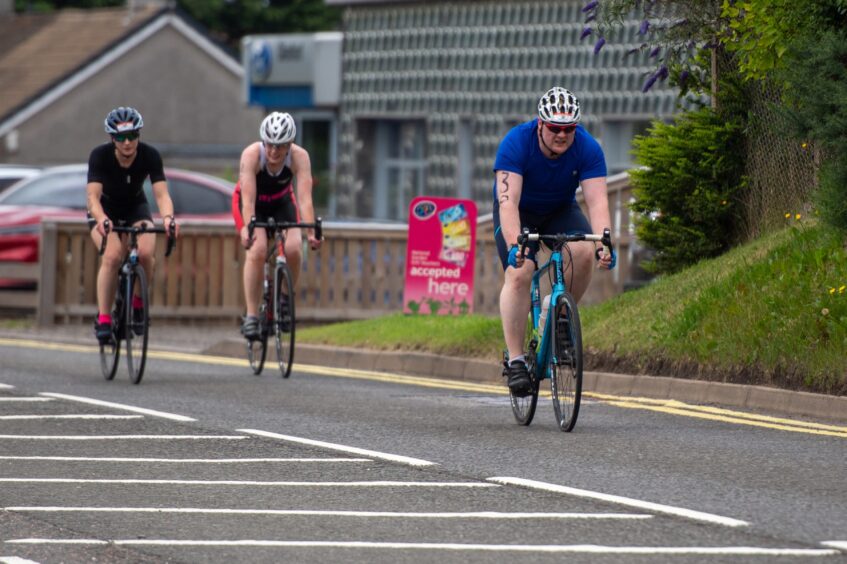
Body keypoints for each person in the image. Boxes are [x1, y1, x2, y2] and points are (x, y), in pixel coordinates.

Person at [493, 87, 616, 396]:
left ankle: (560, 320)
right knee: (520, 272)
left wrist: (604, 244)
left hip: (560, 209)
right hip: (520, 211)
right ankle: (517, 361)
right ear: (540, 124)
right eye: (555, 128)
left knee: (583, 252)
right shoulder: (516, 143)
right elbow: (508, 203)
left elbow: (598, 202)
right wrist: (514, 247)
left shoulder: (588, 148)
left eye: (569, 129)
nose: (562, 135)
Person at [86, 106, 179, 344]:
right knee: (113, 255)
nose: (127, 143)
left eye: (132, 136)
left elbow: (161, 195)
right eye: (121, 137)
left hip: (134, 207)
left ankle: (137, 303)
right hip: (104, 210)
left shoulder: (150, 155)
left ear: (139, 135)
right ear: (112, 138)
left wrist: (168, 218)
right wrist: (101, 219)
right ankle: (105, 318)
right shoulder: (100, 156)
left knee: (147, 252)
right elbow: (92, 198)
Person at [233, 111, 322, 339]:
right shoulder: (252, 155)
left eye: (280, 146)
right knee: (258, 250)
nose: (273, 151)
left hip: (282, 201)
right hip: (254, 205)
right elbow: (248, 201)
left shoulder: (300, 157)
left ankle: (284, 297)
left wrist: (311, 232)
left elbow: (304, 200)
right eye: (270, 144)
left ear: (290, 144)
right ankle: (252, 315)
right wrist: (247, 228)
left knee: (293, 248)